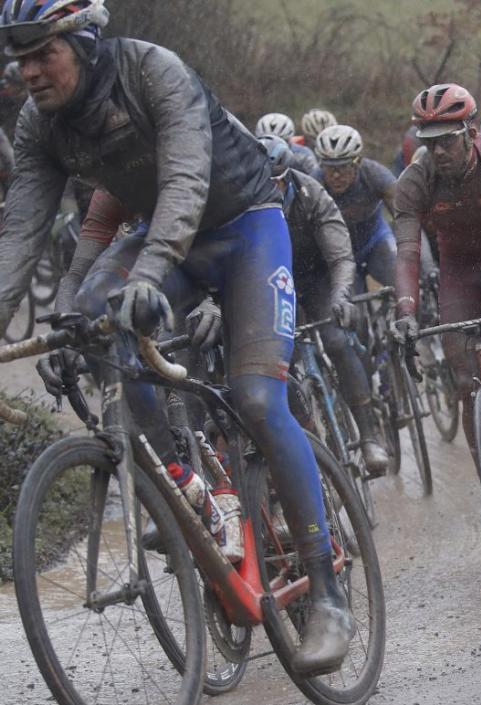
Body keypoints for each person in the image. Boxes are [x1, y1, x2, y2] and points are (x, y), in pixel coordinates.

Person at [0, 0, 352, 673]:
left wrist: (154, 271)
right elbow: (19, 234)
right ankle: (189, 485)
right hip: (160, 237)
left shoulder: (152, 71)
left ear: (85, 41)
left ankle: (328, 591)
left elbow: (187, 180)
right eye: (19, 57)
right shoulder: (38, 124)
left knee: (255, 398)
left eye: (42, 52)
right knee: (95, 324)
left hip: (244, 226)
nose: (30, 71)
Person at [389, 82, 481, 555]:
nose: (439, 151)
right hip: (457, 273)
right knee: (465, 380)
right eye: (429, 142)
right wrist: (406, 312)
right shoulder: (416, 181)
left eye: (448, 140)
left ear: (470, 131)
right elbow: (408, 253)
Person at [259, 135, 392, 475]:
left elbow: (341, 257)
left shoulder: (311, 192)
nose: (271, 187)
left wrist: (341, 295)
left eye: (276, 180)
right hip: (274, 283)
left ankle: (368, 436)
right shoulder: (244, 200)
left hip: (318, 277)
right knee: (277, 363)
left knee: (336, 340)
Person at [312, 124, 397, 290]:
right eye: (330, 168)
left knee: (404, 287)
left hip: (375, 242)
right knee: (349, 311)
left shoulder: (375, 175)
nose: (336, 176)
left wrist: (421, 261)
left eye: (343, 167)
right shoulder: (314, 185)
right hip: (339, 254)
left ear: (357, 163)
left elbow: (407, 218)